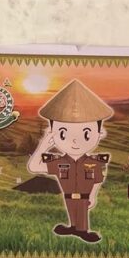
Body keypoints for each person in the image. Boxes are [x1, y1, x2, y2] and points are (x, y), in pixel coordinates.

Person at [26, 79, 113, 243]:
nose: (74, 141)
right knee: (72, 209)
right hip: (68, 195)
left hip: (84, 196)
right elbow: (34, 167)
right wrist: (43, 145)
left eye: (86, 134)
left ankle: (82, 230)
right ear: (53, 133)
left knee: (81, 212)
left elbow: (97, 181)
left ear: (99, 133)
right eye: (63, 133)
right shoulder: (59, 162)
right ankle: (73, 227)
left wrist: (93, 196)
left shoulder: (94, 162)